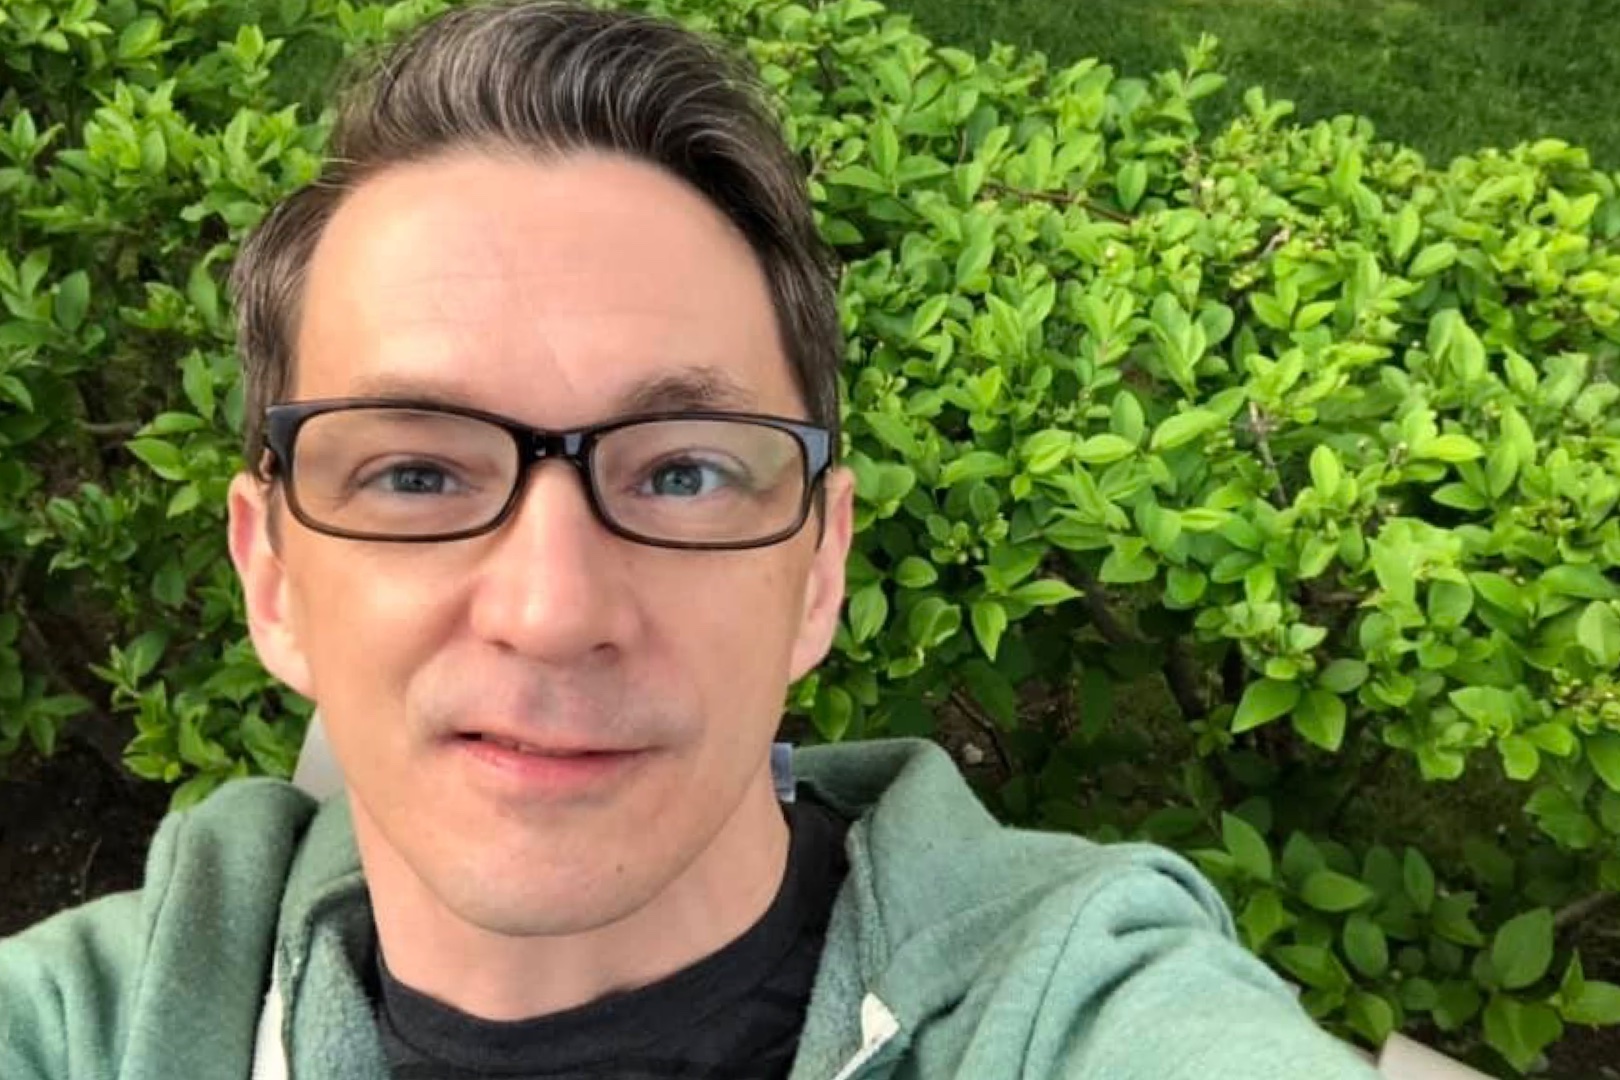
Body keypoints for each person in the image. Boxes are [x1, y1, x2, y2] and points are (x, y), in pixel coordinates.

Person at [0, 4, 1382, 1078]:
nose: (551, 609)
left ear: (818, 570)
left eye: (685, 473)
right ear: (273, 573)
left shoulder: (1081, 1009)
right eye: (416, 469)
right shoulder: (78, 1025)